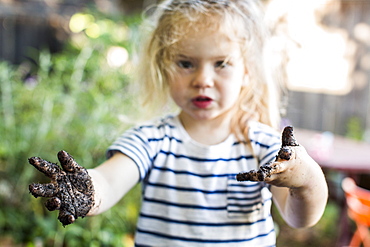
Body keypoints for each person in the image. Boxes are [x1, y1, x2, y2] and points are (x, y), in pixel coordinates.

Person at [28, 0, 328, 246]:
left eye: (221, 64)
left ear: (247, 72)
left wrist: (305, 179)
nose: (203, 80)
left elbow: (299, 218)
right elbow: (110, 179)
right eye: (186, 63)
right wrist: (88, 190)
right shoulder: (151, 139)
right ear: (164, 67)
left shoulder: (264, 146)